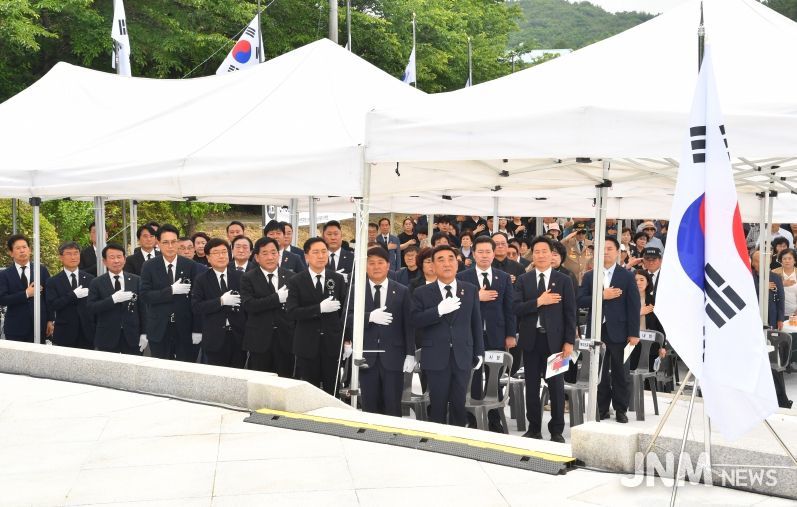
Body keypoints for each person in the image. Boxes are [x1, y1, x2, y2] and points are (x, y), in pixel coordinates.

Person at [412, 245, 484, 426]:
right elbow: (415, 320)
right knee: (437, 404)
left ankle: (457, 442)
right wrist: (437, 311)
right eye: (440, 260)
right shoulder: (422, 292)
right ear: (433, 266)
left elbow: (475, 322)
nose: (446, 263)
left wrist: (479, 352)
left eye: (451, 258)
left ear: (457, 263)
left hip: (463, 354)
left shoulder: (469, 289)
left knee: (459, 404)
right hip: (435, 356)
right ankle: (437, 443)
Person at [514, 236, 576, 442]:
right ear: (532, 255)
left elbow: (570, 314)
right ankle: (533, 428)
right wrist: (539, 301)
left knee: (556, 388)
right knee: (531, 386)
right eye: (537, 251)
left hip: (557, 344)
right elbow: (517, 309)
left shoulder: (564, 280)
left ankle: (556, 430)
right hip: (531, 342)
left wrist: (569, 342)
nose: (540, 255)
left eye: (544, 251)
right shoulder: (524, 280)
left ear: (552, 255)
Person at [457, 236, 516, 432]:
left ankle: (494, 419)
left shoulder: (503, 277)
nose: (484, 255)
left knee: (494, 378)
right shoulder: (463, 277)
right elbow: (457, 306)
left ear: (494, 253)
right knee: (472, 376)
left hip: (496, 335)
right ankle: (472, 418)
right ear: (473, 254)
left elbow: (509, 309)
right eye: (480, 252)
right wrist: (476, 296)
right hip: (470, 335)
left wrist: (510, 335)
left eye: (487, 251)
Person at [578, 238, 641, 424]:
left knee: (621, 372)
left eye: (609, 249)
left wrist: (634, 332)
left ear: (617, 252)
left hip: (620, 331)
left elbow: (633, 305)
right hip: (597, 331)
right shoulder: (590, 276)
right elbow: (580, 300)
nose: (605, 252)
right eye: (602, 249)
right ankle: (602, 408)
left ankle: (621, 409)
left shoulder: (627, 276)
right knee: (599, 373)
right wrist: (601, 296)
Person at [348, 247, 415, 417]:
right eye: (371, 263)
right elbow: (345, 320)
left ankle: (393, 440)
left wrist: (410, 353)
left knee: (392, 405)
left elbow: (408, 324)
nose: (376, 267)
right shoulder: (356, 290)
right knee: (370, 406)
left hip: (393, 356)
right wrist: (369, 317)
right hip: (366, 357)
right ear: (365, 266)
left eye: (380, 263)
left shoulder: (401, 290)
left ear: (388, 265)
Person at [287, 237, 348, 395]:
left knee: (332, 390)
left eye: (324, 252)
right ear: (306, 256)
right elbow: (292, 312)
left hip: (332, 343)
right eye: (316, 252)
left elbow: (345, 313)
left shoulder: (338, 279)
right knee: (309, 392)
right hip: (307, 344)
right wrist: (318, 308)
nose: (321, 256)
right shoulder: (295, 281)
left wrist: (346, 339)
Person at [140, 224, 204, 361]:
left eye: (173, 242)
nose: (170, 246)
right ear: (158, 243)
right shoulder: (149, 266)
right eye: (165, 242)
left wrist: (197, 329)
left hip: (184, 327)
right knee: (161, 370)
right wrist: (171, 290)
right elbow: (145, 295)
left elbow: (196, 299)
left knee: (185, 369)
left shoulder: (189, 265)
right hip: (159, 328)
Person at [241, 237, 295, 377]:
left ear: (279, 255)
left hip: (285, 339)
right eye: (265, 253)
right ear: (257, 257)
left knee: (285, 381)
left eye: (273, 252)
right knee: (260, 383)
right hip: (259, 340)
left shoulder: (291, 277)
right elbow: (249, 305)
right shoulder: (248, 278)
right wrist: (277, 298)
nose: (270, 257)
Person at [192, 238, 246, 368]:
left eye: (224, 252)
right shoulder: (202, 279)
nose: (221, 256)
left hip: (238, 336)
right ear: (208, 257)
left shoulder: (240, 277)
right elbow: (196, 307)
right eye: (216, 253)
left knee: (238, 375)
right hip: (214, 338)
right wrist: (220, 301)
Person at [87, 243, 146, 355]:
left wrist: (144, 333)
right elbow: (91, 308)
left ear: (124, 259)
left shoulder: (136, 280)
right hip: (106, 336)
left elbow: (143, 308)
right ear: (104, 261)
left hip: (132, 336)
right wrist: (112, 300)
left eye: (119, 257)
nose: (116, 261)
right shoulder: (96, 282)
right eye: (112, 257)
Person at [752, 250, 792, 409]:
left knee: (774, 360)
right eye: (759, 261)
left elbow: (781, 298)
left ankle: (780, 398)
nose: (763, 263)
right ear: (754, 263)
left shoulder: (775, 277)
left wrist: (781, 318)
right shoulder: (750, 277)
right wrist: (762, 286)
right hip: (754, 323)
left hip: (772, 321)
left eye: (765, 260)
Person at [0, 234, 53, 342]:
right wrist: (26, 293)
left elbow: (49, 297)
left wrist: (50, 320)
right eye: (18, 248)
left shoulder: (41, 270)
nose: (22, 251)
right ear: (11, 253)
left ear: (30, 250)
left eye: (24, 247)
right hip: (15, 327)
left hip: (39, 325)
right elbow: (3, 299)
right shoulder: (4, 274)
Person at [45, 242, 95, 349]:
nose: (73, 257)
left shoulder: (91, 279)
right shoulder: (53, 281)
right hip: (64, 333)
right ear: (61, 257)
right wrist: (73, 295)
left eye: (76, 253)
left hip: (87, 332)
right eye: (68, 254)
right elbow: (52, 305)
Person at [773, 248, 797, 318]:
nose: (787, 261)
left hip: (795, 313)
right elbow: (768, 290)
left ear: (794, 260)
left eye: (790, 258)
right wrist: (781, 284)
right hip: (778, 312)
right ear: (781, 261)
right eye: (784, 259)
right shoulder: (774, 273)